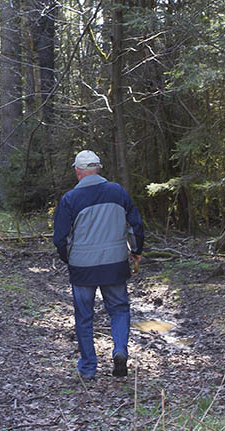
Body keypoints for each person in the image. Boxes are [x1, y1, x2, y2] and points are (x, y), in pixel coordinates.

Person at [53, 150, 145, 381]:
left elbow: (60, 238)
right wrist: (135, 251)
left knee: (84, 317)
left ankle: (87, 368)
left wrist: (70, 259)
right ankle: (120, 350)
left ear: (78, 171)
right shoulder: (117, 191)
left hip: (82, 268)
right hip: (115, 264)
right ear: (99, 169)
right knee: (119, 309)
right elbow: (135, 225)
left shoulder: (70, 199)